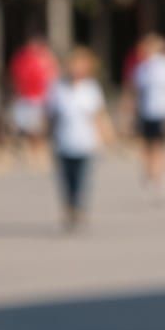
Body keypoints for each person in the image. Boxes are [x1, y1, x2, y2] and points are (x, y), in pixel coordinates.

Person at [45, 46, 111, 230]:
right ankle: (69, 208)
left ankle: (79, 209)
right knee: (66, 179)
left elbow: (98, 115)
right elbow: (51, 116)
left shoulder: (91, 88)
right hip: (63, 141)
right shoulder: (58, 88)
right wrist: (47, 136)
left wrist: (106, 137)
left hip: (85, 143)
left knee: (82, 179)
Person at [127, 33, 165, 194]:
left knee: (160, 145)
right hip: (147, 112)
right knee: (148, 145)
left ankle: (160, 172)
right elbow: (136, 91)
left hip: (164, 111)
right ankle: (152, 173)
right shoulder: (142, 68)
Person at [8, 34, 59, 161]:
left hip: (39, 98)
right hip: (25, 97)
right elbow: (15, 77)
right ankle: (30, 151)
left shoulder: (45, 58)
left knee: (37, 128)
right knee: (26, 127)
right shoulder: (22, 58)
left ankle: (38, 151)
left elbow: (52, 77)